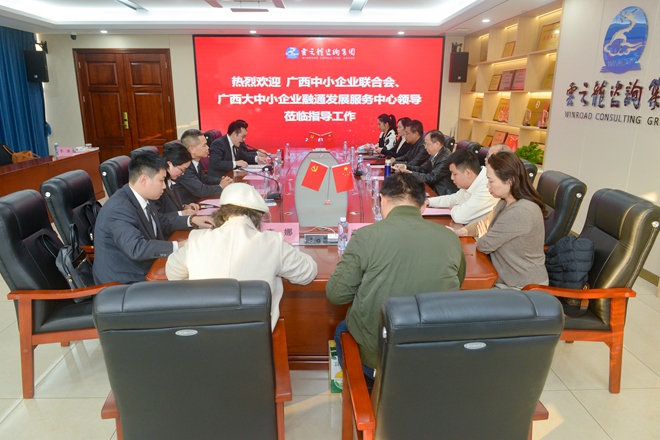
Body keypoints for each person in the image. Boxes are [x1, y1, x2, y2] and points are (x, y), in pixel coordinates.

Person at [326, 173, 466, 377]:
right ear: (423, 206)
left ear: (382, 199)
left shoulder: (366, 236)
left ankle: (365, 388)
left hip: (381, 356)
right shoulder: (450, 238)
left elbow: (336, 295)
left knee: (342, 329)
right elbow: (458, 281)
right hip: (435, 351)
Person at [166, 183, 318, 330]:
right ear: (258, 216)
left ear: (222, 212)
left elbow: (172, 272)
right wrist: (286, 251)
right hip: (256, 337)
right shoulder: (273, 243)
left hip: (205, 335)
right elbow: (307, 273)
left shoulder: (197, 240)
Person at [451, 151, 548, 289]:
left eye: (491, 181)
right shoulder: (505, 202)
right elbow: (485, 223)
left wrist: (483, 235)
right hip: (505, 278)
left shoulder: (521, 211)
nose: (487, 186)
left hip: (522, 287)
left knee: (457, 292)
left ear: (509, 181)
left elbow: (484, 245)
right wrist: (463, 231)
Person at [93, 151, 183, 284]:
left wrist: (191, 221)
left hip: (145, 269)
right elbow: (136, 248)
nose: (164, 186)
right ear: (143, 180)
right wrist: (177, 246)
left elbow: (160, 222)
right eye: (161, 180)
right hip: (124, 283)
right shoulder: (118, 209)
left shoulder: (143, 198)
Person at [156, 143, 215, 236]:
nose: (182, 174)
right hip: (169, 234)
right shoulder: (157, 187)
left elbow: (170, 207)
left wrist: (184, 207)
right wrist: (182, 214)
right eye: (182, 169)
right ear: (169, 164)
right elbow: (158, 218)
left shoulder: (171, 181)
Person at [427, 149, 497, 224]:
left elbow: (459, 217)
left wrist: (454, 207)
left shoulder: (487, 187)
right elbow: (455, 198)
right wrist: (428, 201)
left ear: (468, 173)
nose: (452, 178)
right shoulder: (473, 180)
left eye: (454, 174)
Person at [174, 129, 233, 205]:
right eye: (204, 145)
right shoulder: (184, 168)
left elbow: (205, 179)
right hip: (190, 206)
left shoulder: (195, 162)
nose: (208, 147)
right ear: (192, 149)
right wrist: (221, 186)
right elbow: (201, 191)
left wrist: (222, 180)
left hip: (198, 202)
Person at [393, 129, 457, 196]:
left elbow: (431, 178)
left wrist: (410, 173)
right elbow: (422, 169)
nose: (425, 147)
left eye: (427, 144)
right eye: (425, 144)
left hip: (441, 193)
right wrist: (405, 167)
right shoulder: (435, 153)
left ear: (437, 144)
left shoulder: (445, 158)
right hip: (433, 187)